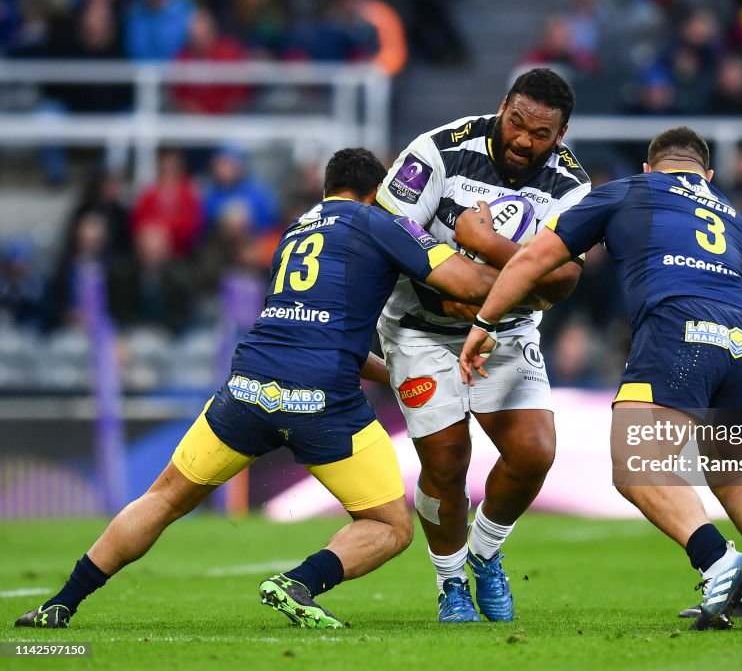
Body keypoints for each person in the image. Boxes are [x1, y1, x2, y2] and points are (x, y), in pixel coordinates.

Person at [14, 148, 498, 630]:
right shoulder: (377, 221)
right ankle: (299, 583)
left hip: (248, 387)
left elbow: (306, 327)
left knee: (162, 499)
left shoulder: (294, 230)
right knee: (390, 526)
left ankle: (62, 603)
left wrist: (392, 373)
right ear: (377, 193)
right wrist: (486, 239)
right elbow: (472, 284)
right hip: (322, 401)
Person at [459, 127, 742, 631]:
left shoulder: (629, 191)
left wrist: (484, 323)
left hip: (681, 330)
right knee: (737, 474)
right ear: (708, 174)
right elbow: (740, 270)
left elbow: (533, 259)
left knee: (637, 464)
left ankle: (719, 563)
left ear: (650, 169)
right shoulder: (727, 209)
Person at [374, 68, 591, 623]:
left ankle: (485, 553)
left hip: (506, 330)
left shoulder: (571, 185)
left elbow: (565, 281)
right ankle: (451, 585)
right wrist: (453, 287)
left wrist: (484, 245)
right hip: (421, 326)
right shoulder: (438, 151)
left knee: (534, 451)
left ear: (560, 136)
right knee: (447, 460)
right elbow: (386, 229)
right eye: (516, 122)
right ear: (502, 107)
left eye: (539, 134)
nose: (522, 139)